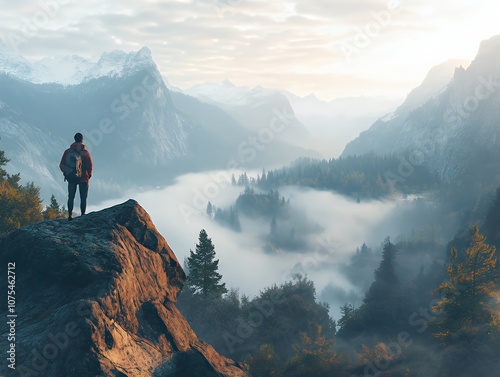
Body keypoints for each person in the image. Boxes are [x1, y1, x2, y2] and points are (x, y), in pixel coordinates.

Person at [59, 133, 93, 220]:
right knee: (83, 197)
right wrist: (88, 176)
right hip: (83, 179)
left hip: (71, 178)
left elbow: (62, 165)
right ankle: (82, 215)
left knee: (71, 197)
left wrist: (66, 173)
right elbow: (90, 166)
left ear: (74, 139)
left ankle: (70, 215)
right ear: (82, 140)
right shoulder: (85, 153)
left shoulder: (68, 152)